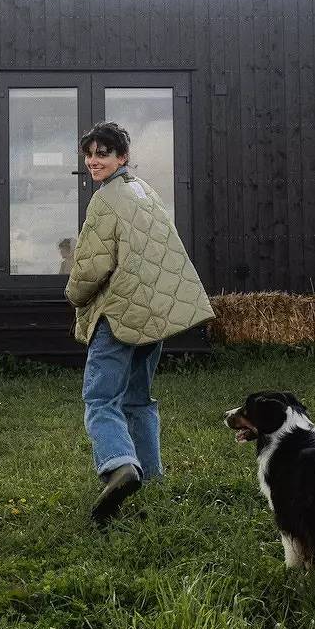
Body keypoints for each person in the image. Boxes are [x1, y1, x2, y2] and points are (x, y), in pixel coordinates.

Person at [65, 121, 214, 525]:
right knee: (138, 399)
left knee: (100, 399)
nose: (94, 161)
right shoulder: (145, 192)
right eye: (90, 153)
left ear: (122, 157)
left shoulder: (105, 200)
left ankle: (119, 465)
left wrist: (73, 295)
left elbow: (92, 267)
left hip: (118, 315)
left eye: (104, 153)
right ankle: (152, 477)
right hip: (153, 314)